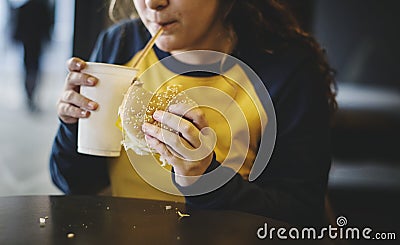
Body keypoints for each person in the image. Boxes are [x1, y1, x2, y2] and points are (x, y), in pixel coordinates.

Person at [50, 0, 337, 226]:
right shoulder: (120, 43)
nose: (153, 3)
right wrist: (74, 124)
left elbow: (301, 214)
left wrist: (203, 178)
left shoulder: (287, 69)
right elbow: (74, 183)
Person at [10, 0, 54, 112]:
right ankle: (31, 94)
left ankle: (30, 94)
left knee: (29, 68)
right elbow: (48, 25)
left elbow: (18, 26)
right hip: (35, 42)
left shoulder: (25, 7)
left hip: (29, 43)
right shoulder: (42, 7)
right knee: (34, 68)